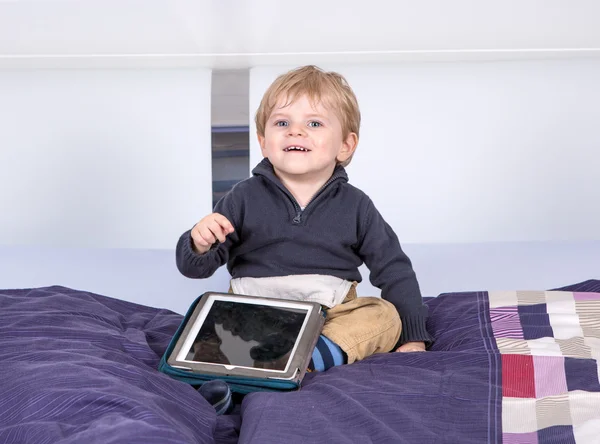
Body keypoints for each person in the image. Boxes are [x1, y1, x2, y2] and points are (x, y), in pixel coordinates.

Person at [175, 65, 433, 414]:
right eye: (282, 123)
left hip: (327, 315)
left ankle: (306, 360)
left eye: (314, 123)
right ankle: (220, 382)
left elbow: (394, 269)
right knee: (206, 322)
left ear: (345, 144)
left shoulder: (357, 206)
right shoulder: (242, 197)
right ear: (264, 141)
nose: (296, 130)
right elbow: (198, 267)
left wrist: (413, 336)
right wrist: (198, 243)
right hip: (252, 312)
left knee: (383, 315)